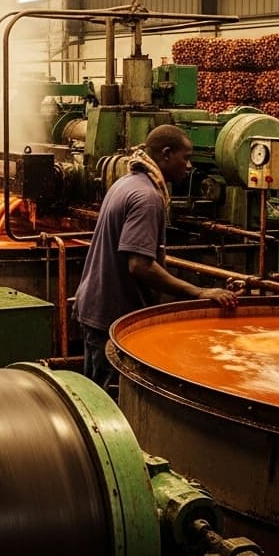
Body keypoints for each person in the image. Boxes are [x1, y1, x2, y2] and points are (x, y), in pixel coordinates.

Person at [73, 124, 240, 389]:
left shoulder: (125, 183)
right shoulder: (147, 198)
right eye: (185, 158)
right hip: (112, 317)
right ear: (165, 154)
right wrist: (199, 292)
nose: (188, 166)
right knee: (110, 405)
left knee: (95, 394)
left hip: (97, 308)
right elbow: (140, 266)